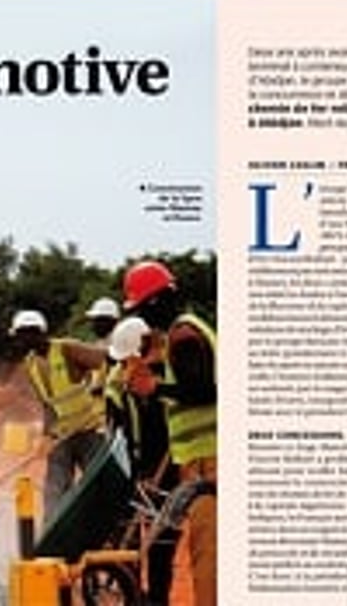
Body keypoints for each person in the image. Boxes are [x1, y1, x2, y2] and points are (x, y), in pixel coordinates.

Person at [118, 260, 216, 606]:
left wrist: (155, 389)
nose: (143, 320)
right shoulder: (185, 331)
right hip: (200, 461)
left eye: (143, 309)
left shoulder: (184, 336)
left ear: (157, 301)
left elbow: (207, 391)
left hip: (211, 461)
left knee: (209, 563)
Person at [8, 309, 109, 525]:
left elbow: (107, 361)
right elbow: (48, 406)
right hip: (62, 435)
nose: (19, 342)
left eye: (22, 336)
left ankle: (109, 532)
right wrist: (47, 436)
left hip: (90, 430)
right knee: (55, 489)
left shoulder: (67, 349)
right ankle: (53, 535)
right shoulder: (31, 365)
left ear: (36, 333)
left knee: (98, 485)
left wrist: (102, 390)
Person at [105, 316, 179, 605]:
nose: (125, 368)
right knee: (128, 539)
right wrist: (135, 474)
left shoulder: (168, 377)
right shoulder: (117, 384)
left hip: (168, 469)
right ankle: (131, 595)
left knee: (162, 542)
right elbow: (117, 435)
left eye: (130, 360)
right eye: (123, 362)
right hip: (134, 472)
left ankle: (158, 600)